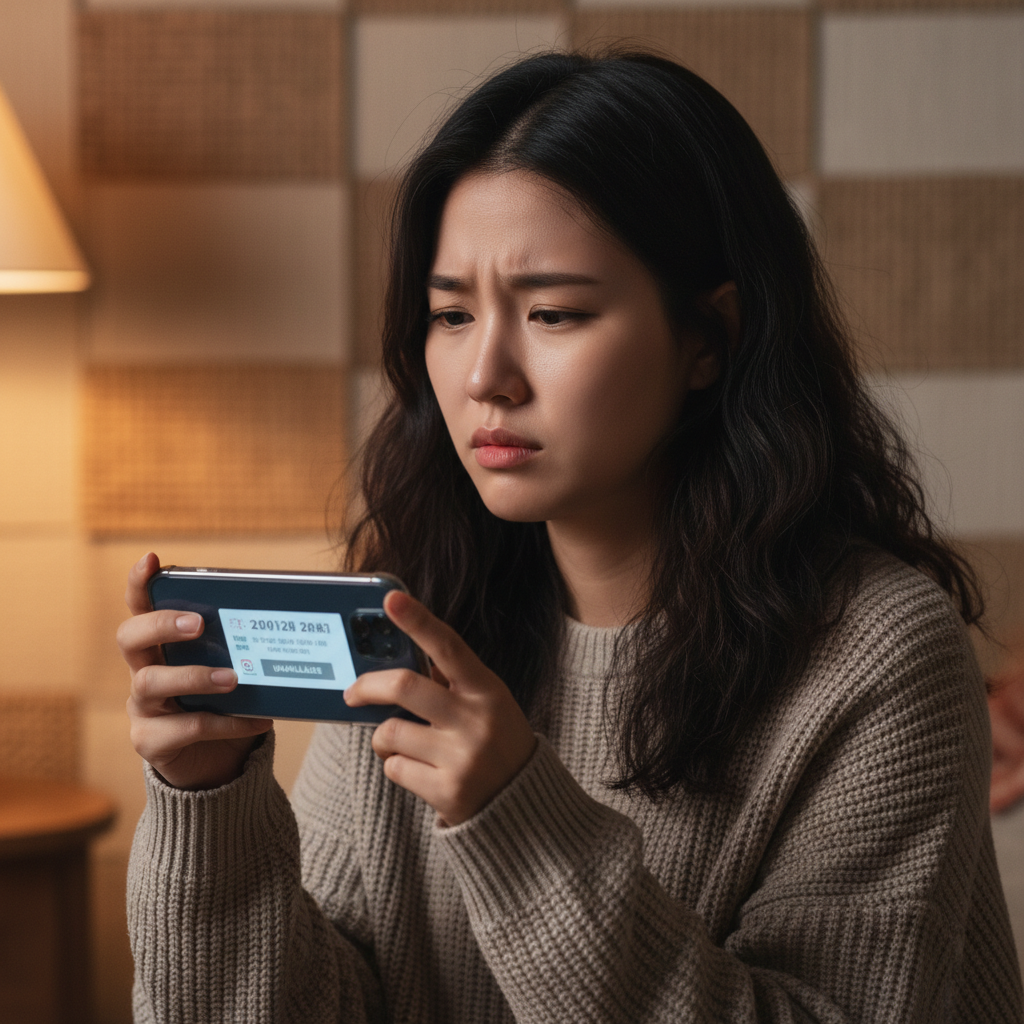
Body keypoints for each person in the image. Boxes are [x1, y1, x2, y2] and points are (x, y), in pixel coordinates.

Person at [118, 50, 1024, 1022]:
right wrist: (205, 801)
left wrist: (515, 817)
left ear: (710, 337)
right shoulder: (421, 613)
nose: (485, 375)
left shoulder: (877, 652)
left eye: (553, 312)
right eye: (451, 314)